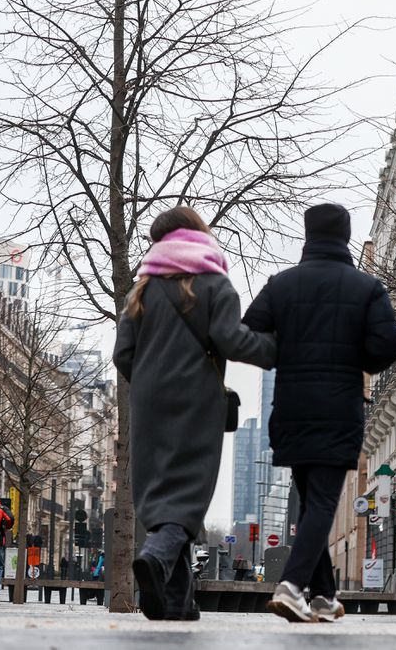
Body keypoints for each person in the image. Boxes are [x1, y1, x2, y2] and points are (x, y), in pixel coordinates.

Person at [114, 206, 276, 621]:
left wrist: (151, 379)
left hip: (148, 400)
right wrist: (279, 350)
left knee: (161, 489)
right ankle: (156, 557)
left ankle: (177, 602)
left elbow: (123, 355)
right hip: (197, 401)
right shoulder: (214, 285)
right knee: (189, 490)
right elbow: (231, 339)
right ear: (198, 235)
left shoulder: (140, 291)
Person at [244, 203, 396, 623]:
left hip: (291, 409)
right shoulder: (366, 288)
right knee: (322, 504)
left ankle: (324, 598)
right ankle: (293, 586)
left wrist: (287, 353)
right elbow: (389, 345)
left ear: (308, 233)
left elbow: (249, 329)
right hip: (338, 407)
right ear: (345, 235)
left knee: (311, 502)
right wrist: (358, 358)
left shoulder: (281, 285)